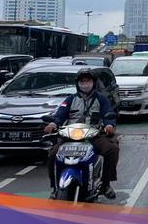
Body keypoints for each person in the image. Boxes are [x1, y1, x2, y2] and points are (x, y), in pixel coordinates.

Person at [44, 68, 119, 200]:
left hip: (93, 135)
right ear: (77, 84)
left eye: (88, 81)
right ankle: (55, 188)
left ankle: (105, 184)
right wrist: (53, 124)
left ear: (93, 83)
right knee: (52, 155)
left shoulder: (101, 99)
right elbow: (60, 116)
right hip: (70, 136)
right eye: (82, 81)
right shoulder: (70, 99)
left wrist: (109, 125)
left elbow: (108, 115)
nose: (85, 84)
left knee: (112, 150)